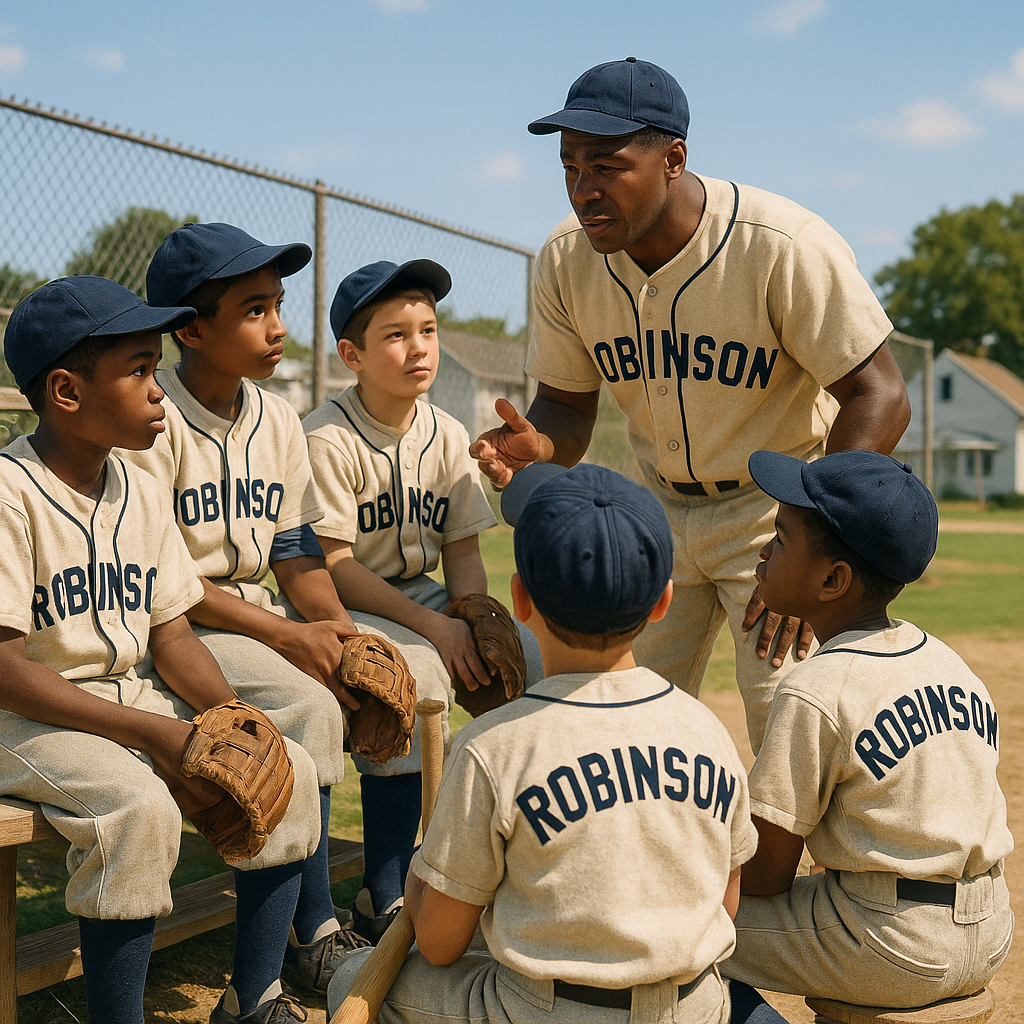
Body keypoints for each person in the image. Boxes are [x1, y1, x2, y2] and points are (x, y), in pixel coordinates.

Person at [470, 57, 911, 752]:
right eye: (569, 167)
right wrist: (541, 445)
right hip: (655, 510)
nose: (583, 190)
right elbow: (565, 406)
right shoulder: (565, 257)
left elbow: (879, 393)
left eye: (606, 166)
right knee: (608, 718)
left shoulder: (780, 244)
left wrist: (810, 538)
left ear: (673, 158)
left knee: (791, 725)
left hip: (775, 512)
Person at [327, 461, 764, 1024]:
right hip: (695, 1007)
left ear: (520, 601)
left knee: (349, 983)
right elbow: (724, 905)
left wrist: (423, 875)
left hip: (546, 1011)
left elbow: (438, 943)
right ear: (662, 602)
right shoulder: (705, 727)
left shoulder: (495, 744)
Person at [0, 276, 322, 1024]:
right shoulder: (10, 492)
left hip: (124, 696)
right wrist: (159, 734)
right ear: (66, 391)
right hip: (24, 716)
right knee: (138, 807)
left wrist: (231, 717)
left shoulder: (136, 489)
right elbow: (6, 670)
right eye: (140, 370)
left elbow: (172, 634)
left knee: (288, 764)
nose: (159, 393)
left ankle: (256, 996)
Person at [126, 221, 385, 999]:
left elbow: (296, 551)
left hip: (254, 614)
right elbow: (156, 576)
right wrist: (287, 635)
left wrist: (332, 625)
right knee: (306, 709)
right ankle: (311, 939)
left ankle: (307, 936)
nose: (277, 326)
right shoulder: (148, 417)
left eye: (277, 304)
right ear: (191, 328)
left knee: (335, 677)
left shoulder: (276, 417)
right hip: (173, 628)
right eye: (252, 310)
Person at [303, 258, 543, 940]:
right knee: (408, 678)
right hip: (347, 603)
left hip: (426, 598)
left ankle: (512, 851)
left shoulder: (442, 431)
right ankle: (383, 889)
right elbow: (337, 566)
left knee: (536, 661)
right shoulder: (327, 436)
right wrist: (437, 630)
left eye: (429, 330)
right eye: (395, 335)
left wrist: (474, 615)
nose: (419, 348)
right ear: (351, 354)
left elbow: (463, 549)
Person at [721, 449, 1014, 1008]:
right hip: (991, 925)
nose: (764, 548)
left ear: (833, 579)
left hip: (889, 941)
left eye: (780, 538)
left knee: (677, 923)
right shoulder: (949, 663)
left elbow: (764, 876)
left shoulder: (818, 687)